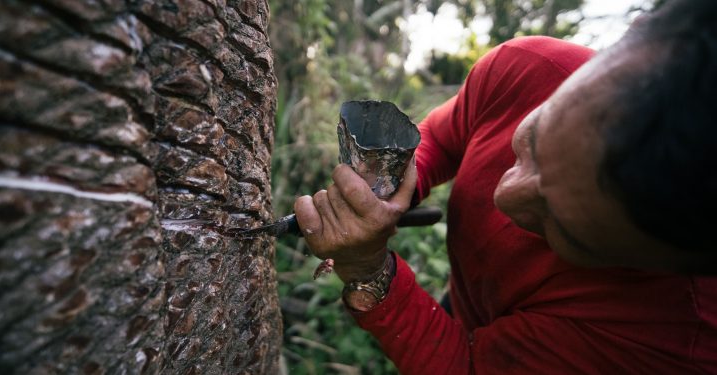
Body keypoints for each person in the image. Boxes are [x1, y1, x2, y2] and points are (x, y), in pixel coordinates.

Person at [294, 0, 717, 373]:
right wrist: (387, 191)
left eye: (563, 232)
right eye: (532, 140)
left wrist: (370, 271)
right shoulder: (532, 68)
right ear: (633, 32)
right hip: (467, 305)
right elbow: (445, 137)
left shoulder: (673, 342)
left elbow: (469, 365)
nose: (505, 196)